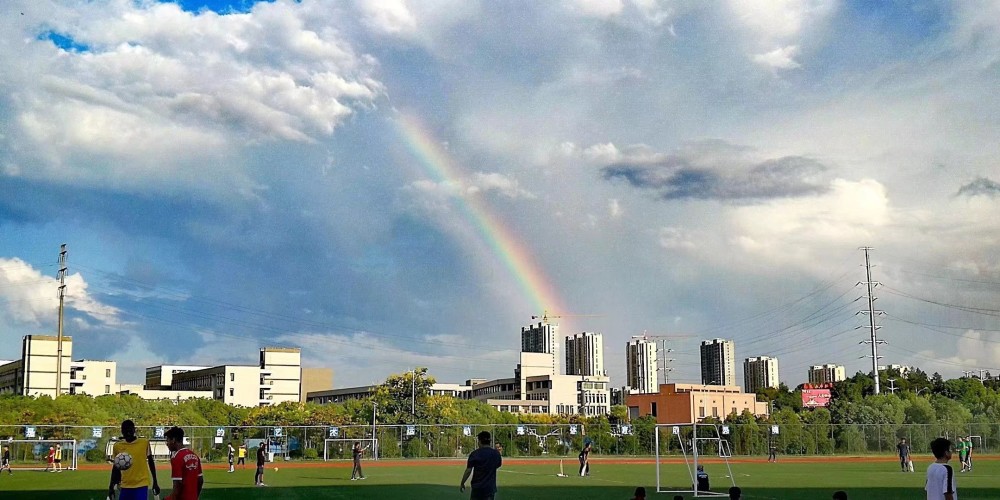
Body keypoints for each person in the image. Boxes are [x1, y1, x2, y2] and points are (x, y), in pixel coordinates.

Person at [109, 419, 161, 500]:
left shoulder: (144, 443)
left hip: (141, 484)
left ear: (134, 430)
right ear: (122, 431)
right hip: (125, 485)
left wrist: (155, 482)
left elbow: (151, 462)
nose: (128, 432)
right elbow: (116, 467)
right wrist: (111, 486)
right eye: (125, 430)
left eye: (130, 430)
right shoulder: (117, 446)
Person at [460, 431, 502, 500]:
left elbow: (468, 470)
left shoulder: (475, 454)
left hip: (477, 488)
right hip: (490, 488)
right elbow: (498, 465)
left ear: (479, 441)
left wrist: (462, 483)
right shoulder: (496, 454)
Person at [164, 427, 202, 500]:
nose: (167, 444)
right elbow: (200, 480)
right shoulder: (195, 456)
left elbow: (178, 484)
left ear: (173, 440)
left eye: (168, 440)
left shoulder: (176, 457)